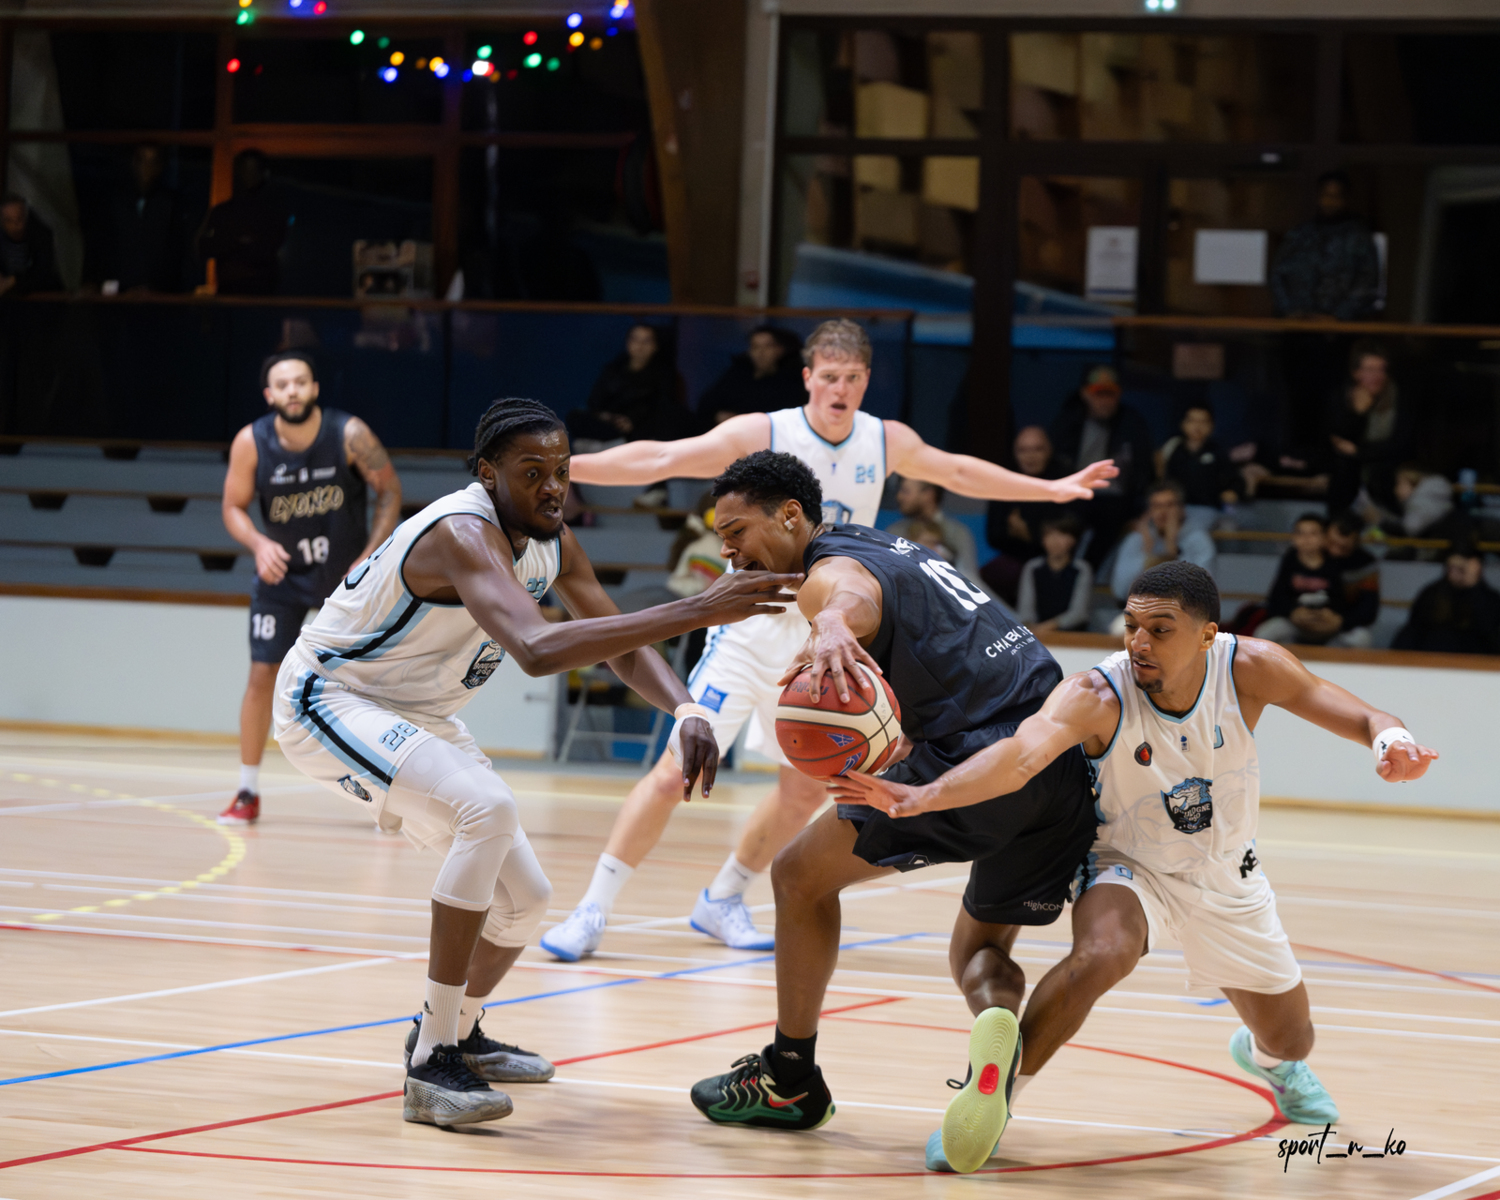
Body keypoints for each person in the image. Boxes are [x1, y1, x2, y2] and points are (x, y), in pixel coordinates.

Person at [271, 398, 801, 1127]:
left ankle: (459, 1032)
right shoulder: (463, 532)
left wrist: (688, 710)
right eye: (532, 473)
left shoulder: (552, 542)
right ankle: (430, 1061)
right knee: (485, 809)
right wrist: (699, 609)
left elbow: (617, 641)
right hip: (331, 696)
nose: (553, 487)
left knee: (527, 900)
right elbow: (536, 648)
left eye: (561, 471)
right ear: (488, 474)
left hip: (417, 713)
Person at [833, 560, 1437, 1172]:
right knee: (1104, 951)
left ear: (1207, 635)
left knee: (1292, 1038)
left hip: (1227, 874)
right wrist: (923, 796)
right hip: (1125, 863)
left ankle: (1270, 1061)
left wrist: (1393, 744)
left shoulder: (1250, 667)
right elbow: (1018, 756)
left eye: (1160, 629)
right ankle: (991, 1103)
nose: (1139, 642)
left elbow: (1368, 717)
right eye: (1131, 626)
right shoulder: (1097, 694)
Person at [542, 318, 1115, 958]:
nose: (841, 389)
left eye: (853, 378)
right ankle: (592, 909)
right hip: (752, 627)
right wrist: (560, 468)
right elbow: (661, 457)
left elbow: (956, 471)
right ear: (808, 378)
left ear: (866, 381)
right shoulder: (765, 432)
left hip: (833, 630)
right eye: (831, 377)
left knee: (804, 788)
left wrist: (1050, 489)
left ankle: (723, 898)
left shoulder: (884, 438)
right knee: (677, 768)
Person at [687, 451, 1098, 1170]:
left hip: (978, 760)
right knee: (981, 951)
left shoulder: (827, 576)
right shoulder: (882, 540)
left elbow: (846, 593)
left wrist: (832, 625)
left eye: (737, 532)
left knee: (797, 877)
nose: (729, 551)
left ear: (791, 517)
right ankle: (997, 1021)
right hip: (1058, 758)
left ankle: (789, 1080)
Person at [217, 351, 403, 825]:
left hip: (345, 580)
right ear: (269, 395)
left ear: (315, 388)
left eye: (301, 382)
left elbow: (390, 491)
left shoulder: (349, 434)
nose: (293, 391)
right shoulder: (251, 442)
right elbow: (232, 507)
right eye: (283, 384)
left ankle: (386, 796)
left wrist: (371, 558)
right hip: (281, 577)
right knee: (262, 675)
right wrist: (258, 543)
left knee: (368, 683)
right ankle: (247, 790)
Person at [1050, 365, 1156, 569]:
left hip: (1115, 499)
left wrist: (1142, 510)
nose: (1105, 400)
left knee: (1108, 525)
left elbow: (1144, 470)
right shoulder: (1068, 421)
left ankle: (1086, 573)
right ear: (1085, 394)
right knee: (1062, 525)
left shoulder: (1132, 423)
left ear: (1119, 394)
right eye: (1099, 394)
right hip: (1075, 493)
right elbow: (1055, 463)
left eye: (1110, 394)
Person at [1270, 171, 1381, 322]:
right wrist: (1289, 310)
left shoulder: (1358, 238)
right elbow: (1278, 274)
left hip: (1340, 326)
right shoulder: (1300, 235)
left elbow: (1367, 282)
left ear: (1345, 199)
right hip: (1297, 322)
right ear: (1318, 197)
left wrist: (1339, 315)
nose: (1330, 202)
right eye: (1326, 196)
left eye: (1336, 197)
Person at [567, 323, 689, 447]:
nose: (640, 346)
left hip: (640, 427)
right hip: (611, 425)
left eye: (646, 341)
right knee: (575, 417)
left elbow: (663, 407)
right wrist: (609, 417)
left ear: (656, 345)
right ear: (627, 342)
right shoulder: (614, 370)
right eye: (635, 339)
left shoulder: (664, 374)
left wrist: (633, 420)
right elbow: (594, 403)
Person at [981, 425, 1064, 603]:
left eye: (1037, 449)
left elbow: (1068, 538)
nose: (1030, 456)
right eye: (1023, 450)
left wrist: (1027, 535)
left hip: (1055, 563)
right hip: (1013, 561)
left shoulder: (1063, 485)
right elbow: (993, 536)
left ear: (1049, 451)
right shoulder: (1003, 484)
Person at [197, 149, 290, 296]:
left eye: (254, 171)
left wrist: (232, 243)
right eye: (246, 170)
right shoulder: (222, 212)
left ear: (264, 174)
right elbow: (202, 247)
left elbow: (268, 248)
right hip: (234, 291)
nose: (249, 177)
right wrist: (240, 242)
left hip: (259, 292)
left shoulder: (272, 214)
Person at [97, 143, 188, 293]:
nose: (146, 167)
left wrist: (154, 288)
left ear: (160, 166)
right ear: (133, 162)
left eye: (153, 162)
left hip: (158, 295)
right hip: (118, 293)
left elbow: (176, 253)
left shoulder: (170, 204)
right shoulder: (115, 201)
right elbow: (105, 247)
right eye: (141, 160)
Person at [1109, 479, 1216, 606]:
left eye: (1170, 505)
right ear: (1149, 511)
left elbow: (1200, 593)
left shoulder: (1198, 540)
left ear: (1182, 509)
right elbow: (1120, 591)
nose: (1163, 512)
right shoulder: (1137, 539)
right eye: (1157, 506)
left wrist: (1171, 549)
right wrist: (1147, 553)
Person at [1326, 342, 1405, 514]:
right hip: (1348, 483)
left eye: (1381, 369)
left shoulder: (1398, 399)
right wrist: (1357, 414)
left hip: (1386, 482)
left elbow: (1400, 445)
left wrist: (1359, 452)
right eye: (1370, 369)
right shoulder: (1341, 398)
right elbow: (1338, 443)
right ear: (1356, 373)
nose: (1377, 376)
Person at [1255, 514, 1349, 647]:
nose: (1306, 539)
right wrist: (1293, 612)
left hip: (1326, 624)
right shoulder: (1289, 561)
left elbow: (1342, 600)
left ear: (1324, 538)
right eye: (1301, 533)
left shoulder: (1335, 563)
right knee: (1264, 634)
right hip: (1295, 622)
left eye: (1313, 534)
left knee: (1358, 638)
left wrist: (1332, 616)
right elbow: (1276, 598)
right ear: (1293, 538)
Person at [1393, 545, 1500, 655]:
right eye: (1451, 567)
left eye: (1461, 568)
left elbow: (1489, 631)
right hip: (1432, 658)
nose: (1455, 572)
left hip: (1473, 660)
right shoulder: (1432, 593)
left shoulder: (1489, 597)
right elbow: (1414, 629)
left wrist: (1473, 586)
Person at [695, 325, 805, 427]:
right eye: (755, 347)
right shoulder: (738, 374)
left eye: (768, 346)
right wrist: (719, 415)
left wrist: (744, 421)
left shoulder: (794, 380)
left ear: (781, 349)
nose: (761, 353)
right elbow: (707, 404)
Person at [887, 476, 985, 586]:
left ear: (928, 494)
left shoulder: (958, 534)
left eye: (906, 491)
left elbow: (970, 579)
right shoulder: (895, 532)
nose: (899, 496)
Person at [1157, 404, 1239, 527]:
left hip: (1207, 508)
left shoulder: (1218, 452)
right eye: (1192, 421)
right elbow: (1163, 481)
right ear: (1183, 424)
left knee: (1192, 530)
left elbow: (1234, 481)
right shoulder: (1173, 449)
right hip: (1175, 507)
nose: (1197, 426)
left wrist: (1232, 492)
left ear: (1212, 426)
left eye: (1203, 422)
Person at [1016, 516, 1093, 632]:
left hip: (1072, 634)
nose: (1055, 540)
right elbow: (1025, 609)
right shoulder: (1032, 567)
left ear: (1073, 540)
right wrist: (1032, 628)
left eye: (1061, 535)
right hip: (1035, 632)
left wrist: (1048, 626)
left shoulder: (1081, 569)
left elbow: (1079, 613)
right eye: (1049, 535)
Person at [1325, 510, 1379, 649]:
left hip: (1343, 625)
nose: (1335, 552)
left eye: (1343, 548)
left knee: (1361, 638)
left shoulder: (1366, 564)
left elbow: (1368, 610)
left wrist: (1340, 622)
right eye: (1332, 544)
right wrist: (1296, 614)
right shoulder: (1309, 554)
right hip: (1303, 620)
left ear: (1357, 542)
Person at [0, 193, 63, 297]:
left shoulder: (40, 235)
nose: (15, 225)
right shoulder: (2, 239)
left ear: (26, 216)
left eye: (19, 218)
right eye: (8, 220)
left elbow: (43, 273)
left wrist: (13, 281)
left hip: (41, 296)